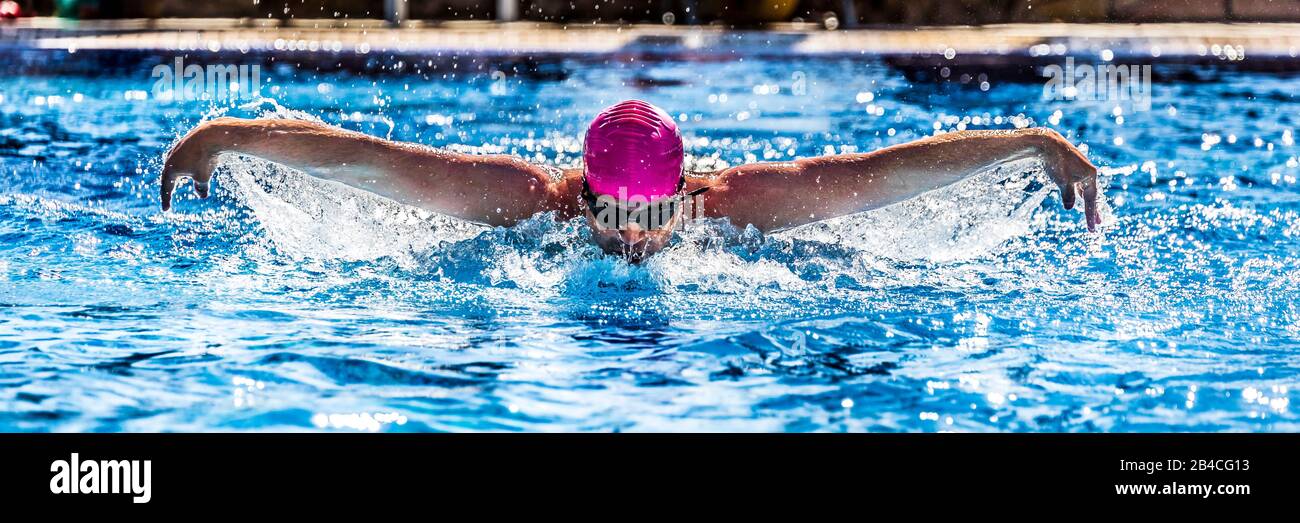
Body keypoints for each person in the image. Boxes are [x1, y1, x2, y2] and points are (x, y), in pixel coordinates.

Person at [161, 99, 1100, 262]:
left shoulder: (736, 205)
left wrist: (1025, 143)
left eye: (655, 213)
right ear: (587, 191)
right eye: (617, 211)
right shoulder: (527, 199)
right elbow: (373, 161)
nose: (635, 237)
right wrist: (230, 133)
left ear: (684, 190)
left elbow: (876, 177)